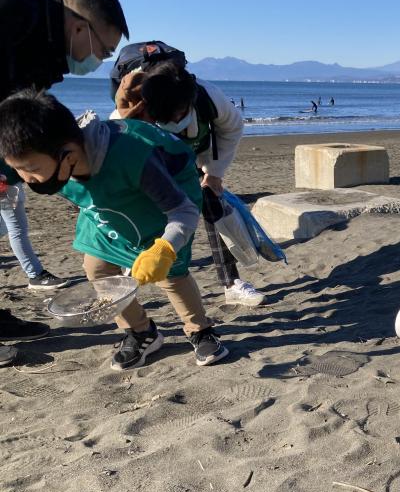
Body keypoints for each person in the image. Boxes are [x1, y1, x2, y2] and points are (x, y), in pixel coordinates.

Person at [0, 90, 229, 369]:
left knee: (171, 275)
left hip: (157, 212)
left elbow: (183, 211)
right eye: (18, 170)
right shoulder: (39, 152)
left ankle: (200, 329)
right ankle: (141, 331)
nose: (25, 178)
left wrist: (165, 248)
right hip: (104, 216)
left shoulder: (132, 156)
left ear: (68, 154)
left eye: (31, 169)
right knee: (97, 270)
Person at [0, 0, 128, 365]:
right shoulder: (14, 9)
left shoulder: (45, 47)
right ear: (78, 26)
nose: (100, 61)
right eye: (104, 51)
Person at [113, 57, 265, 306]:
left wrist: (214, 173)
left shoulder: (209, 97)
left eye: (180, 114)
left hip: (194, 157)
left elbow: (233, 127)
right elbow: (117, 146)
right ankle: (129, 270)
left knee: (212, 205)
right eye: (166, 117)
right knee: (142, 214)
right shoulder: (132, 105)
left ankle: (231, 283)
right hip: (152, 160)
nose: (175, 121)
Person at [0, 179, 69, 290]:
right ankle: (36, 275)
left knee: (4, 226)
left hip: (6, 182)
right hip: (4, 183)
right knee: (17, 229)